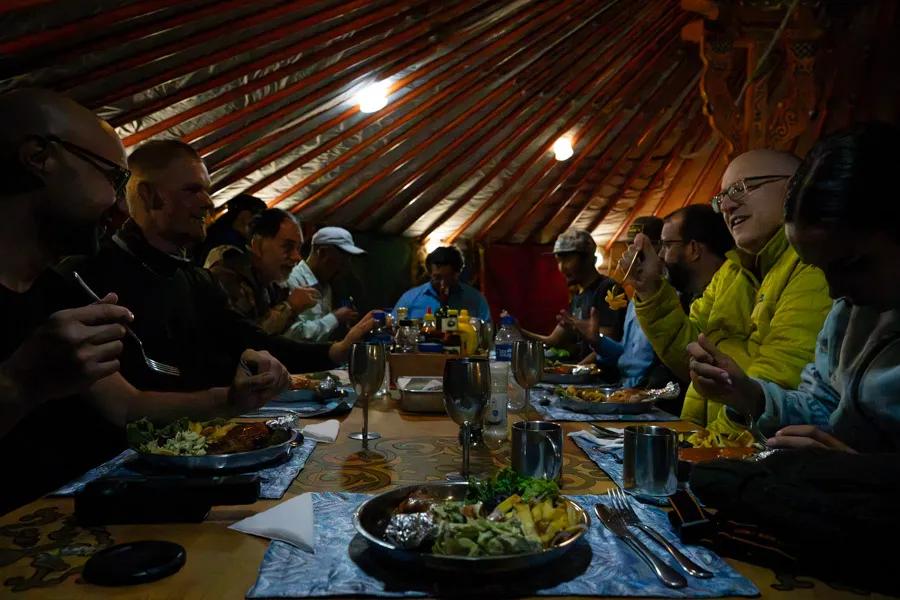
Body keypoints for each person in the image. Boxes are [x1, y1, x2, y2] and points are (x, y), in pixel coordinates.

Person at [0, 89, 289, 513]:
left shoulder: (58, 289)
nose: (122, 205)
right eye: (113, 178)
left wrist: (231, 399)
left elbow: (126, 405)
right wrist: (19, 382)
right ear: (40, 156)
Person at [73, 141, 373, 392]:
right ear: (149, 196)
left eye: (207, 190)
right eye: (193, 190)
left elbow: (250, 339)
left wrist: (335, 350)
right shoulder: (93, 276)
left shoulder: (195, 279)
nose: (208, 202)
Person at [686, 123, 900, 453]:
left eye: (853, 264)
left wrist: (865, 473)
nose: (834, 291)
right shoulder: (849, 313)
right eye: (822, 270)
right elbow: (824, 406)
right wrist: (750, 396)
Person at [621, 150, 832, 429]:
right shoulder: (731, 272)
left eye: (740, 188)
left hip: (752, 452)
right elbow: (689, 357)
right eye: (721, 199)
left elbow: (775, 381)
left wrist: (708, 452)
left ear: (796, 187)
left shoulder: (812, 264)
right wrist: (650, 290)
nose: (728, 206)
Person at [210, 208, 325, 335]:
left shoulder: (272, 285)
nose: (297, 257)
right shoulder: (226, 277)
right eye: (287, 246)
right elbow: (242, 340)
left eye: (298, 248)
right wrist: (290, 307)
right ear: (257, 245)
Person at [519, 229, 624, 361]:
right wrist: (518, 331)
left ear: (588, 259)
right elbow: (553, 340)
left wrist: (576, 369)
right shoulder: (578, 297)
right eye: (558, 261)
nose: (562, 268)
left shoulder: (608, 289)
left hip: (602, 377)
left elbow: (607, 344)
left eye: (567, 260)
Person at [285, 227, 364, 342]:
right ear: (322, 253)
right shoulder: (293, 280)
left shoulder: (326, 286)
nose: (345, 267)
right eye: (342, 260)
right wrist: (335, 318)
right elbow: (293, 335)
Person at [393, 246, 491, 322]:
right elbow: (394, 326)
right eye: (437, 277)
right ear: (430, 273)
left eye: (448, 277)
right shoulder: (410, 298)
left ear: (458, 273)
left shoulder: (476, 299)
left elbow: (487, 333)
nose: (442, 283)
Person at [198, 193, 266, 265]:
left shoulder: (217, 231)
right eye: (256, 218)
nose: (258, 225)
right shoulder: (224, 241)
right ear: (244, 214)